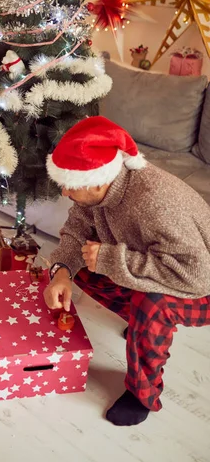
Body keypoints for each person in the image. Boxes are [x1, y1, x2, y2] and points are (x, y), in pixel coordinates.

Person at [44, 116, 210, 426]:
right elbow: (77, 230)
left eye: (69, 186)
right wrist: (62, 272)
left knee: (152, 306)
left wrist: (110, 259)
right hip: (167, 266)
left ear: (96, 180)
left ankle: (142, 395)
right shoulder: (97, 187)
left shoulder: (155, 203)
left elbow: (197, 277)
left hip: (201, 286)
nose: (65, 193)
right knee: (81, 263)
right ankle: (136, 324)